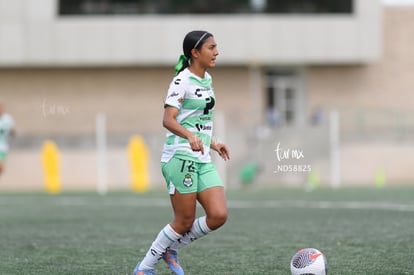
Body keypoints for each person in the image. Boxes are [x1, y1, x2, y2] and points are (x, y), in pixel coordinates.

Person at [133, 30, 230, 275]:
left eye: (216, 47)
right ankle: (144, 268)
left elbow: (197, 121)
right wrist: (189, 137)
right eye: (211, 47)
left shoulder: (207, 79)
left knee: (218, 215)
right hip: (179, 157)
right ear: (195, 53)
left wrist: (213, 143)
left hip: (202, 158)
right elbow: (168, 120)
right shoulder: (181, 81)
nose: (216, 52)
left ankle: (172, 248)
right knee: (184, 221)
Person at [0, 102, 16, 177]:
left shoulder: (7, 119)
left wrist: (12, 132)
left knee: (1, 168)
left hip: (3, 148)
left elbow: (13, 131)